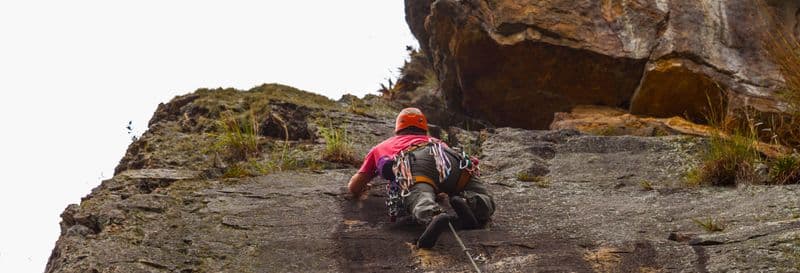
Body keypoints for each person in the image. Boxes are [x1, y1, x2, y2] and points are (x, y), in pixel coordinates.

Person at [347, 107, 495, 248]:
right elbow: (438, 170)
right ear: (424, 127)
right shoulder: (436, 140)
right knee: (475, 188)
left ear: (398, 128)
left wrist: (362, 188)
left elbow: (354, 186)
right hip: (447, 157)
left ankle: (432, 214)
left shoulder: (382, 146)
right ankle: (473, 204)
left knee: (420, 192)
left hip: (414, 160)